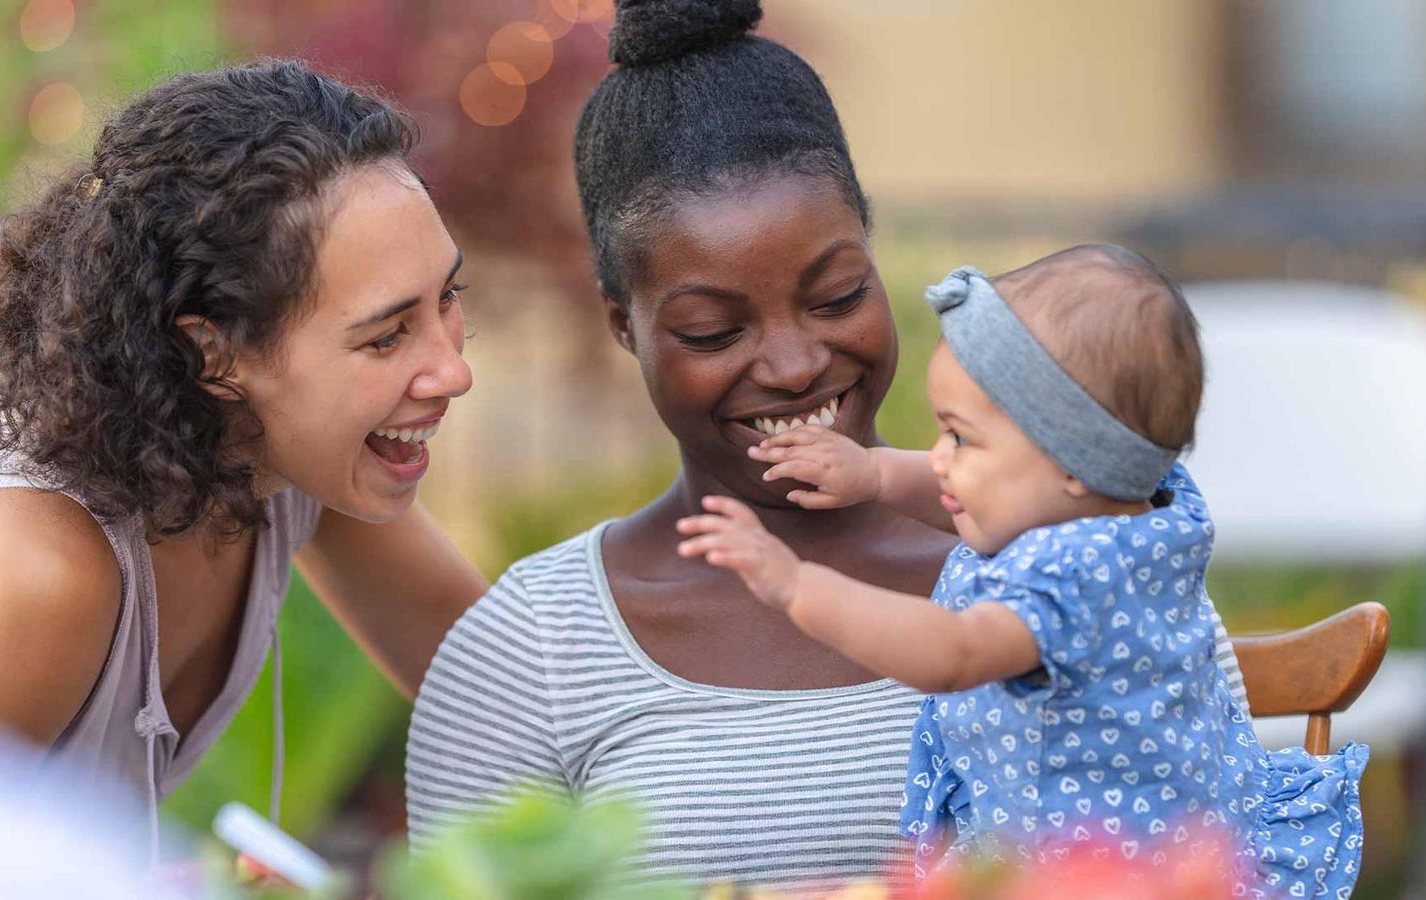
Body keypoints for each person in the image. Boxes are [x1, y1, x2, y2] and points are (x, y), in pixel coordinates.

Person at [405, 1, 1249, 890]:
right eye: (711, 330)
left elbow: (1209, 847)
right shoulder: (531, 644)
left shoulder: (1079, 551)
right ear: (626, 327)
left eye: (838, 295)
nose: (797, 363)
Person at [0, 60, 486, 857]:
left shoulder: (281, 461)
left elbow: (501, 699)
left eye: (448, 297)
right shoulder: (31, 572)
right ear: (213, 355)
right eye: (385, 335)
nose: (455, 371)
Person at [680, 246, 1367, 896]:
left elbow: (951, 654)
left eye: (960, 437)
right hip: (1185, 853)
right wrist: (876, 472)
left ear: (1074, 461)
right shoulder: (1143, 509)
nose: (939, 458)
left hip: (1092, 875)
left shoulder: (1070, 582)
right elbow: (986, 496)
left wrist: (798, 586)